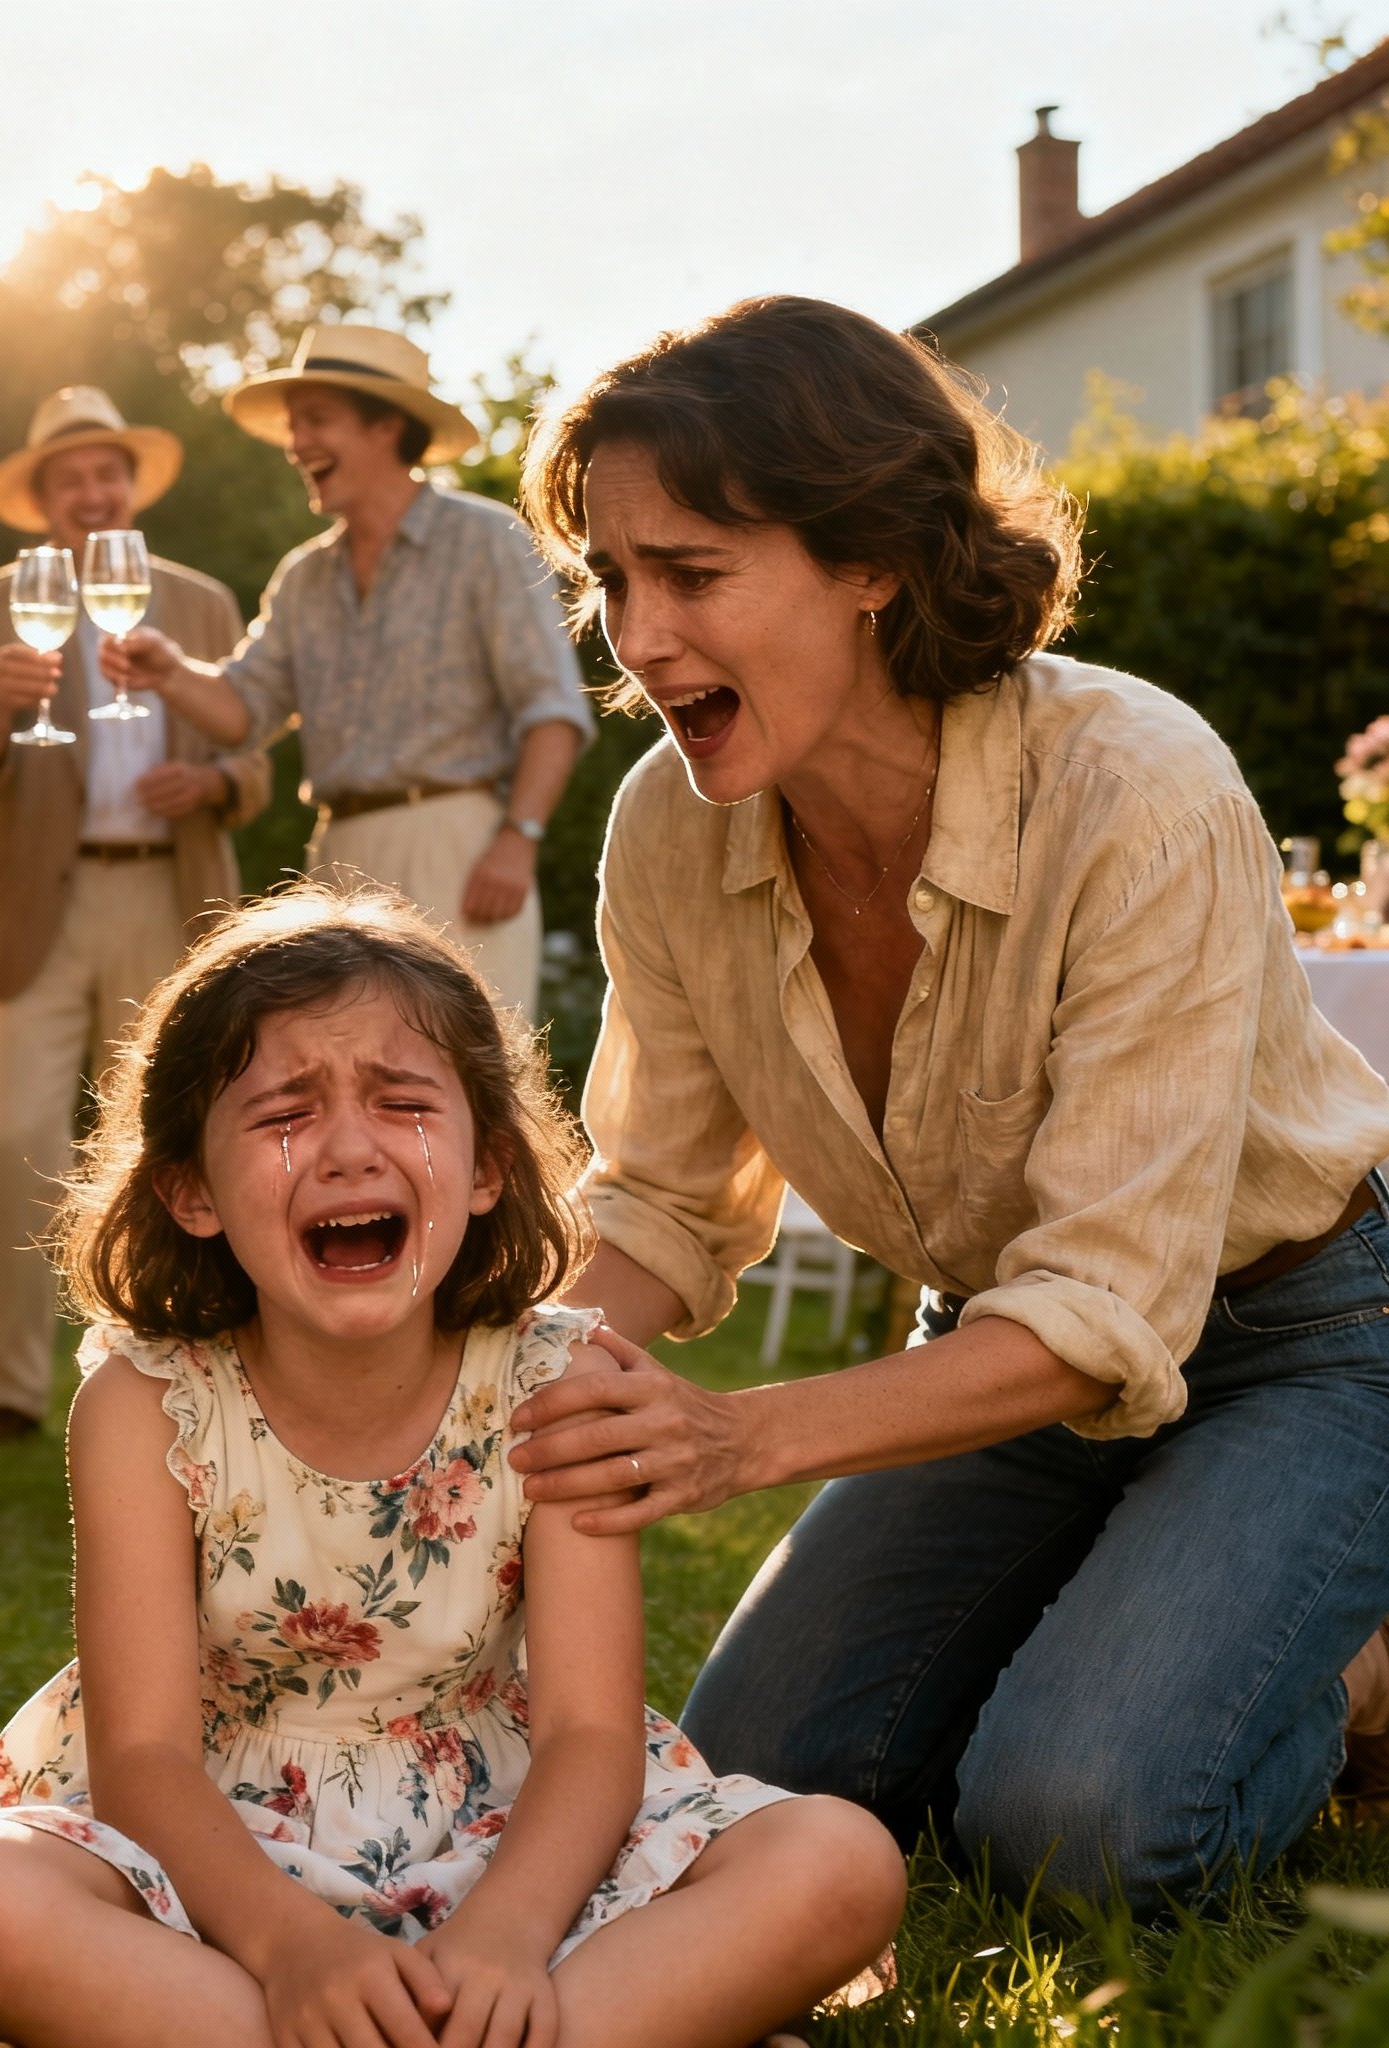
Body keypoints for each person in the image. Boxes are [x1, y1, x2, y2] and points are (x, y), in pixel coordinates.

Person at [500, 294, 1389, 1911]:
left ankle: (1351, 1671)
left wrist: (730, 1435)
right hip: (995, 1346)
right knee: (746, 1793)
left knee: (1078, 1828)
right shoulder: (664, 826)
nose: (631, 635)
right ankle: (1126, 1611)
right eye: (609, 577)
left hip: (1303, 1342)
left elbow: (1107, 1300)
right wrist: (501, 1401)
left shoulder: (1135, 784)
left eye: (689, 574)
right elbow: (656, 1200)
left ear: (875, 558)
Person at [0, 888, 904, 2048]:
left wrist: (509, 1933)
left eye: (402, 1101)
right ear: (190, 1191)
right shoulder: (143, 1403)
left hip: (513, 1835)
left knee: (836, 1861)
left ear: (485, 1165)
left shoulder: (557, 1377)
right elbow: (140, 1759)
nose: (345, 1147)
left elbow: (590, 1733)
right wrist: (291, 1948)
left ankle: (468, 2017)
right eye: (283, 1112)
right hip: (218, 1854)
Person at [0, 385, 270, 1441]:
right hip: (37, 895)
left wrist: (211, 788)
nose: (92, 490)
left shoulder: (202, 601)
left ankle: (184, 1365)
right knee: (16, 1142)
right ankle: (9, 1392)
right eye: (69, 477)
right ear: (40, 499)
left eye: (106, 472)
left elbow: (254, 752)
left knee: (179, 1144)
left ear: (130, 486)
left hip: (171, 897)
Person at [100, 324, 593, 1012]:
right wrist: (170, 671)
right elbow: (244, 712)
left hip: (458, 844)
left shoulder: (484, 541)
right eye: (294, 425)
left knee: (481, 1079)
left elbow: (552, 712)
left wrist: (518, 839)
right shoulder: (303, 576)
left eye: (318, 421)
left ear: (387, 426)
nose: (297, 444)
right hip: (337, 859)